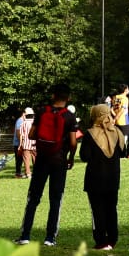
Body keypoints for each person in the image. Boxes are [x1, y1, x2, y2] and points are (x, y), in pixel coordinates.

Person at [16, 84, 77, 247]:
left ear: (53, 96)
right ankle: (50, 237)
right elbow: (72, 142)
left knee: (33, 197)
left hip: (42, 159)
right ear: (68, 98)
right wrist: (70, 157)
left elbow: (31, 134)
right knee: (55, 199)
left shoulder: (42, 112)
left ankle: (25, 235)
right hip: (59, 161)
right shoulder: (70, 117)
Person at [80, 102, 123, 251]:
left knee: (97, 210)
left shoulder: (90, 134)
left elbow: (84, 156)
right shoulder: (117, 132)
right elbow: (124, 151)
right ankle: (112, 239)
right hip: (113, 179)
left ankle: (101, 240)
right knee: (111, 208)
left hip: (95, 179)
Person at [113, 85, 129, 159]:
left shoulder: (116, 97)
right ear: (125, 90)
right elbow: (123, 110)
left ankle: (118, 153)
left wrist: (115, 118)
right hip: (124, 121)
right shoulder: (125, 98)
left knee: (117, 138)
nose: (128, 89)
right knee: (125, 138)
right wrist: (117, 117)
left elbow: (113, 109)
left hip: (116, 121)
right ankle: (123, 154)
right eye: (127, 88)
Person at [17, 107, 36, 178]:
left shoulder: (23, 123)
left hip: (26, 144)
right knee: (35, 159)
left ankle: (28, 173)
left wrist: (20, 145)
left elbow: (21, 135)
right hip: (35, 144)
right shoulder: (35, 123)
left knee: (26, 160)